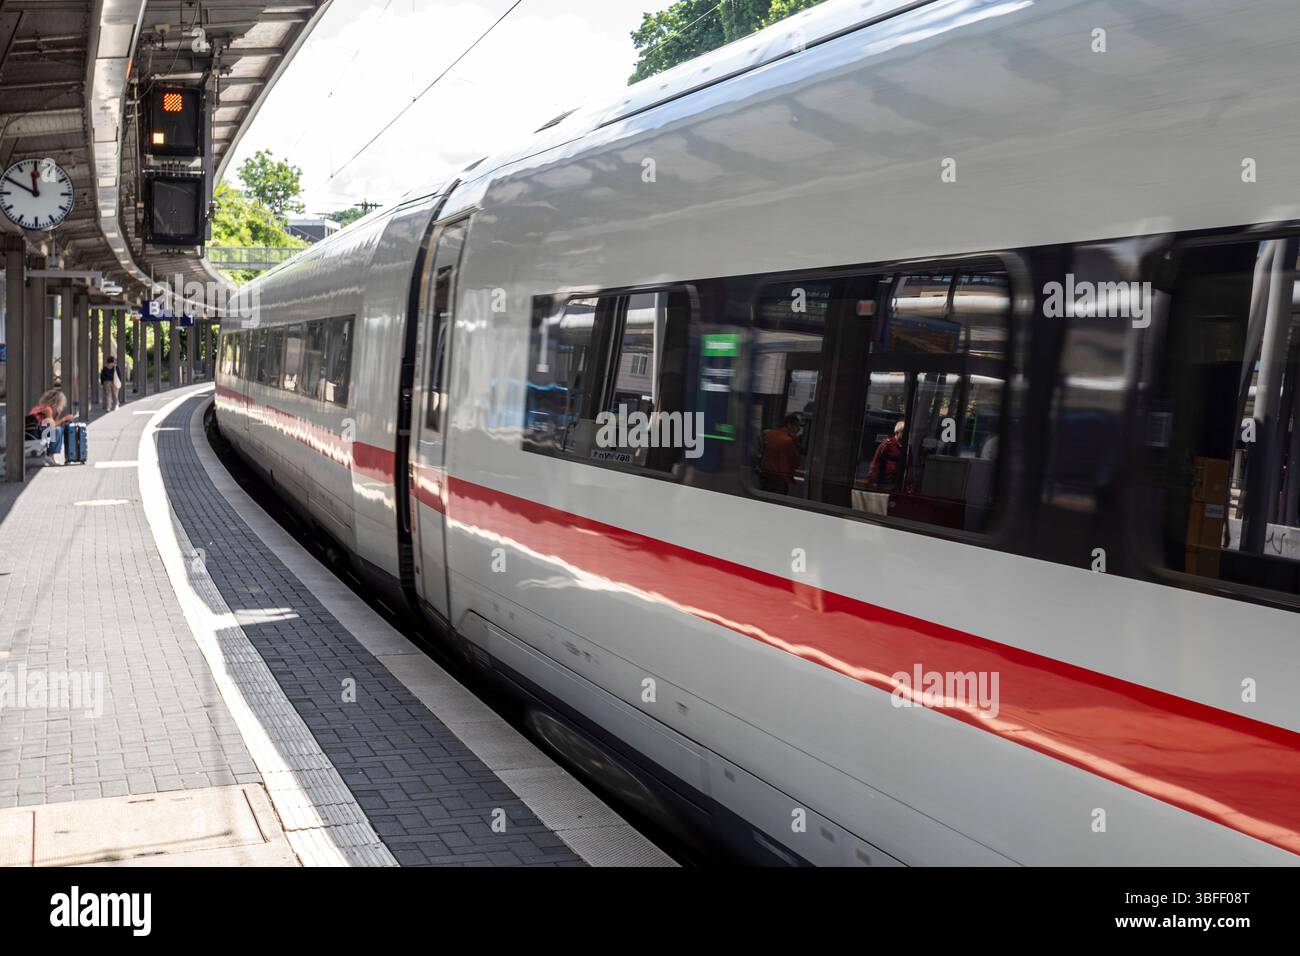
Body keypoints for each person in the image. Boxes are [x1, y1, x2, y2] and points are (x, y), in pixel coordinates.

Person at [27, 388, 76, 466]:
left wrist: (58, 414)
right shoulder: (47, 409)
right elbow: (52, 425)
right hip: (36, 433)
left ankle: (49, 456)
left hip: (31, 432)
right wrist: (64, 419)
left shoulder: (38, 407)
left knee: (56, 429)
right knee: (58, 430)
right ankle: (50, 455)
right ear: (57, 402)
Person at [758, 413, 803, 495]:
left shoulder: (769, 434)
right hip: (779, 481)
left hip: (764, 478)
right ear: (789, 425)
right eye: (797, 426)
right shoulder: (789, 441)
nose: (799, 429)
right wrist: (796, 442)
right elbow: (796, 463)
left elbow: (760, 450)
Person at [866, 419, 906, 490]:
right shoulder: (887, 444)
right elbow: (876, 461)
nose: (905, 435)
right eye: (903, 432)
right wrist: (871, 479)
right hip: (885, 482)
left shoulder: (907, 446)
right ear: (897, 432)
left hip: (899, 482)